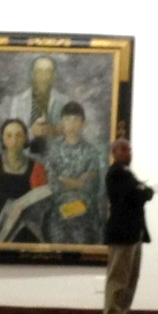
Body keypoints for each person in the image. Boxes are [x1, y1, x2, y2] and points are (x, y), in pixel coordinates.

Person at [102, 138, 153, 314]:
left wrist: (143, 191)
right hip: (122, 233)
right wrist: (143, 191)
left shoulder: (127, 174)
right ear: (114, 153)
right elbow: (136, 196)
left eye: (129, 150)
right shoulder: (115, 173)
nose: (128, 153)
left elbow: (143, 193)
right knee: (118, 279)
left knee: (130, 279)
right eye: (123, 150)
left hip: (134, 233)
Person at [0, 118, 48, 242]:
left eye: (19, 135)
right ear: (2, 139)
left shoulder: (37, 168)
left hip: (24, 229)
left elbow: (38, 205)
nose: (14, 140)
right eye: (9, 135)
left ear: (26, 138)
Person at [44, 100, 103, 245]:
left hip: (84, 205)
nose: (71, 124)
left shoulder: (91, 152)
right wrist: (78, 182)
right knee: (60, 220)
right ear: (61, 123)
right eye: (67, 119)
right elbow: (52, 183)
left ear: (82, 124)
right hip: (59, 205)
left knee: (79, 218)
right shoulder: (54, 150)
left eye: (76, 120)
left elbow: (92, 186)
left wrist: (65, 179)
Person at [4, 54, 70, 156]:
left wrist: (54, 130)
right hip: (26, 157)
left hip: (56, 157)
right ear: (32, 74)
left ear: (54, 75)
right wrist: (31, 132)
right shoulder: (18, 101)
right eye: (39, 71)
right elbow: (12, 132)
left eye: (48, 71)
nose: (44, 76)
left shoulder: (65, 101)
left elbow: (72, 133)